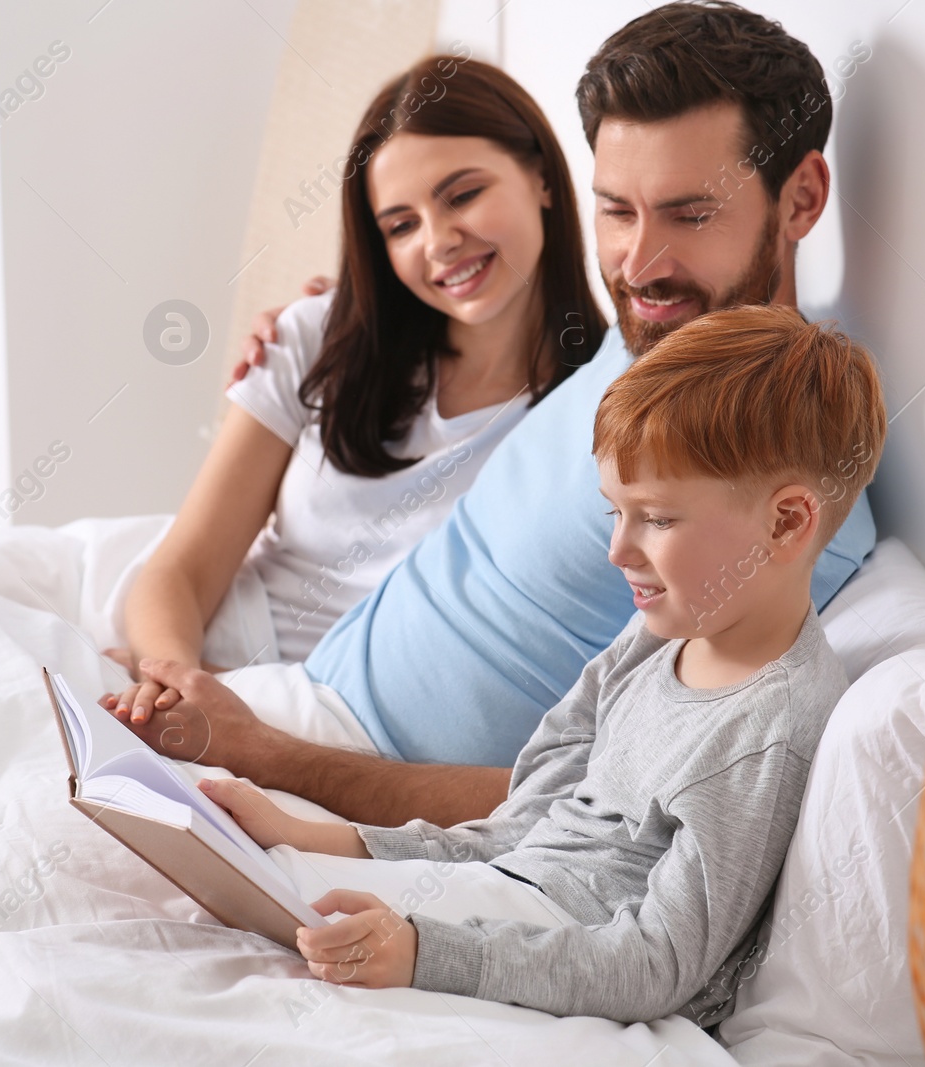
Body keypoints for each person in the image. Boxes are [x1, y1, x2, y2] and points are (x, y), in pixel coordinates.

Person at [114, 2, 879, 828]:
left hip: (336, 782)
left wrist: (268, 755)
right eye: (617, 210)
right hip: (287, 703)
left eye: (691, 214)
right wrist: (336, 320)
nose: (640, 263)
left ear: (801, 200)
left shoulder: (784, 486)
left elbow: (607, 797)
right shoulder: (643, 344)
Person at [199, 305, 886, 1025]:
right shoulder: (655, 635)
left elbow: (660, 964)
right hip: (501, 895)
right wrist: (310, 834)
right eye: (614, 513)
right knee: (225, 882)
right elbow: (521, 825)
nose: (618, 551)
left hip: (558, 953)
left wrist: (423, 952)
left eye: (655, 517)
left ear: (786, 522)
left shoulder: (768, 726)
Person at [104, 55, 605, 724]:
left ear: (541, 177)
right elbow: (181, 569)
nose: (439, 242)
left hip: (339, 716)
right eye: (400, 225)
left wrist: (243, 704)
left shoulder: (594, 413)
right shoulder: (316, 336)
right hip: (190, 649)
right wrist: (178, 677)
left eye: (462, 194)